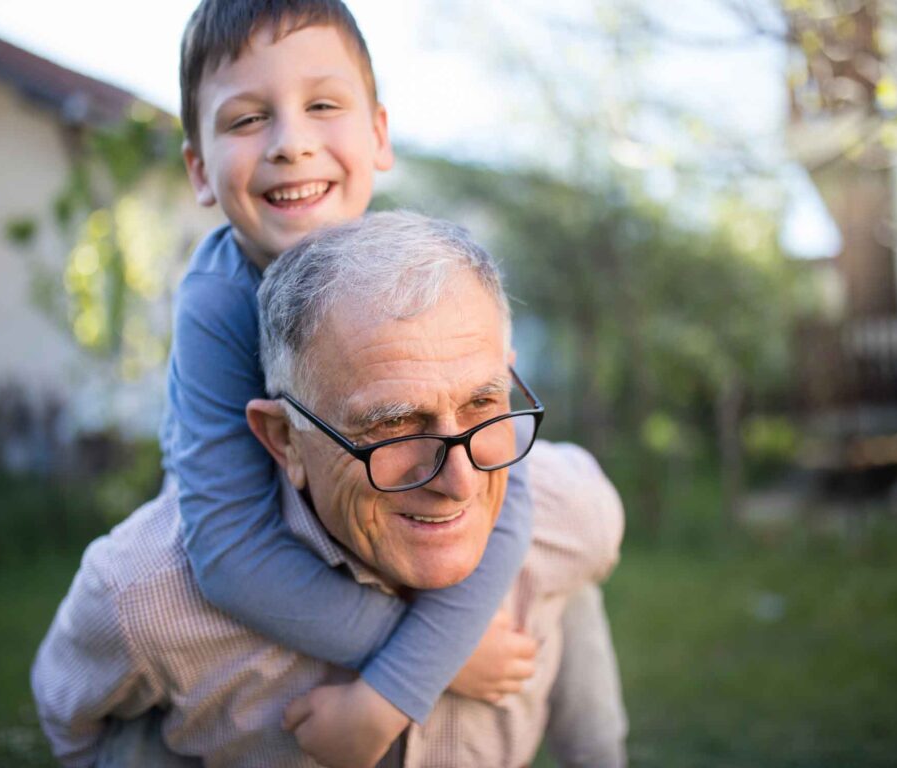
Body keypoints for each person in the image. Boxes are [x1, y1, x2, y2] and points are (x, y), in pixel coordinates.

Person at [153, 0, 596, 763]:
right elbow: (228, 549)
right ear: (198, 169)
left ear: (379, 135)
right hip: (301, 539)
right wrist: (423, 666)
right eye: (247, 120)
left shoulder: (418, 272)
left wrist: (397, 683)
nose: (292, 144)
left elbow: (508, 496)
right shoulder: (217, 302)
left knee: (569, 560)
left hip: (407, 509)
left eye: (323, 105)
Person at [32, 211, 627, 767]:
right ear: (285, 440)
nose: (459, 483)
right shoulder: (144, 597)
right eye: (393, 424)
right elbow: (74, 726)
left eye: (482, 402)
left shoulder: (569, 511)